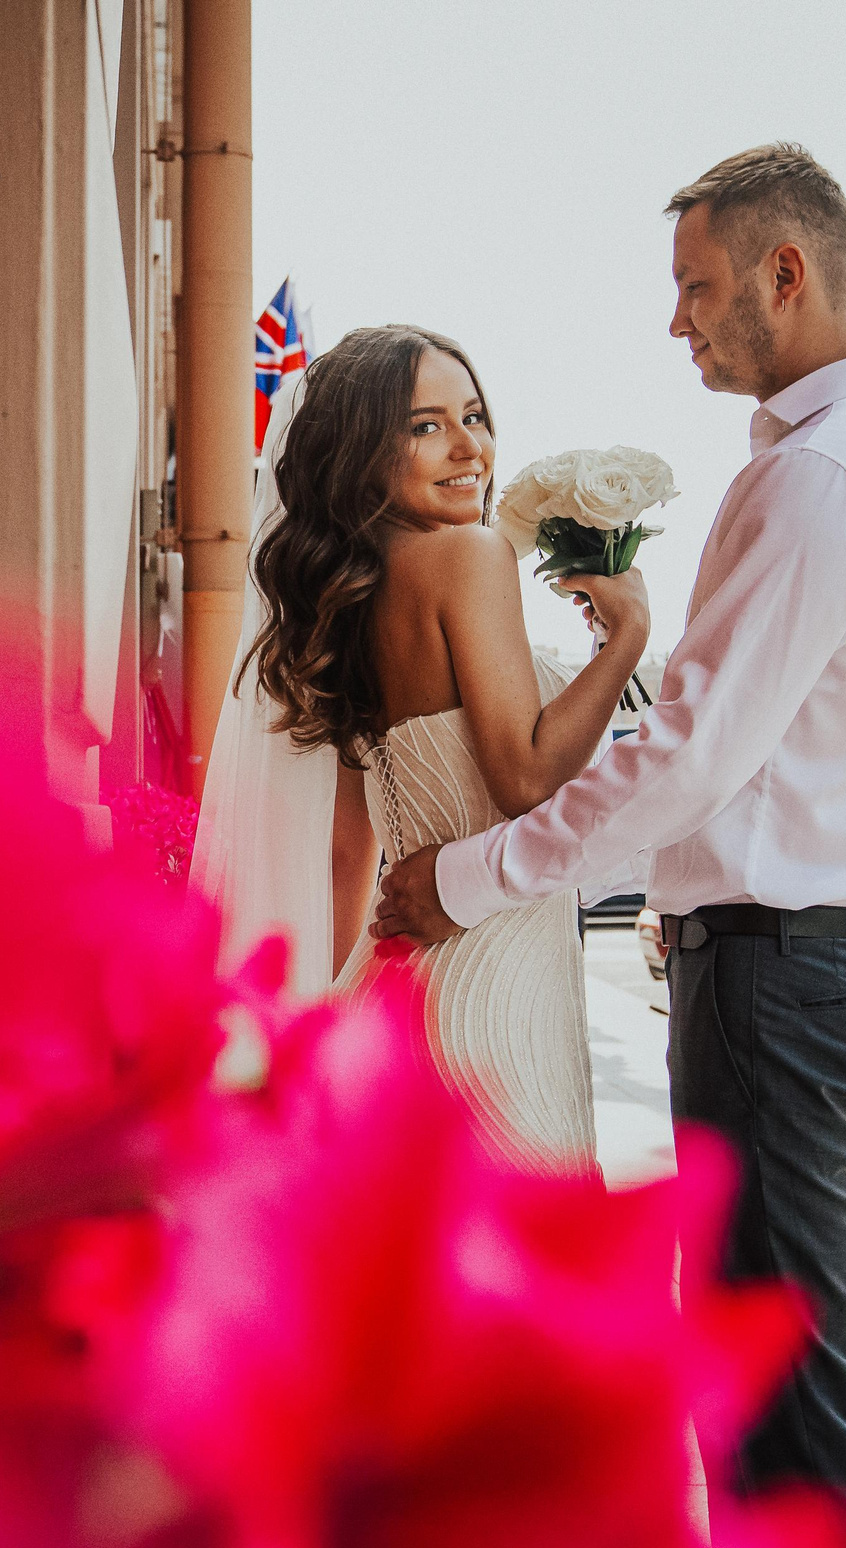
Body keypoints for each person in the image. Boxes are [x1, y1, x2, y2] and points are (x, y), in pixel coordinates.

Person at [370, 143, 846, 1548]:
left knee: (791, 1401)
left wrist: (468, 875)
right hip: (811, 957)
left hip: (791, 976)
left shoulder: (824, 474)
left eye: (698, 289)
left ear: (789, 274)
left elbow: (688, 753)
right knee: (781, 1384)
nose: (677, 325)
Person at [195, 324, 651, 1174]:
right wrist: (624, 638)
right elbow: (523, 775)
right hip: (493, 980)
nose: (467, 446)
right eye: (425, 425)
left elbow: (343, 846)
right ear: (363, 452)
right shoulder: (469, 556)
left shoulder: (347, 604)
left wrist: (326, 1015)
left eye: (473, 415)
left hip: (399, 983)